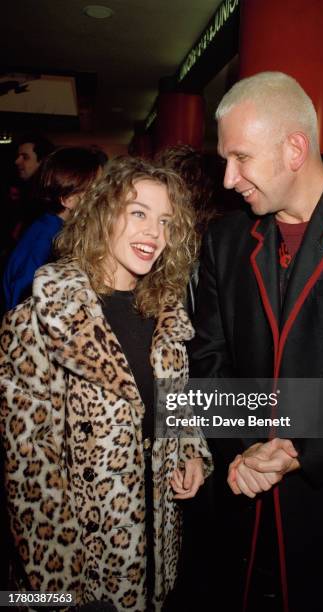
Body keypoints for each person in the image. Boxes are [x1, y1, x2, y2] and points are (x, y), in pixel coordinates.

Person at [190, 72, 323, 612]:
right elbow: (208, 358)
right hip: (242, 502)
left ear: (294, 148)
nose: (229, 178)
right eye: (224, 159)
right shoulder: (224, 238)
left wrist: (295, 449)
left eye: (241, 157)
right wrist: (247, 446)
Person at [0, 156, 212, 610]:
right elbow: (30, 476)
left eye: (166, 221)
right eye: (138, 213)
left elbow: (176, 404)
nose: (154, 234)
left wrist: (191, 450)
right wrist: (62, 593)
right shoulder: (41, 320)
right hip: (84, 571)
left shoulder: (167, 315)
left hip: (158, 551)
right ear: (101, 214)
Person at [2, 147, 101, 312]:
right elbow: (21, 306)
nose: (103, 195)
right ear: (68, 200)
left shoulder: (51, 225)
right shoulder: (47, 240)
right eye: (96, 189)